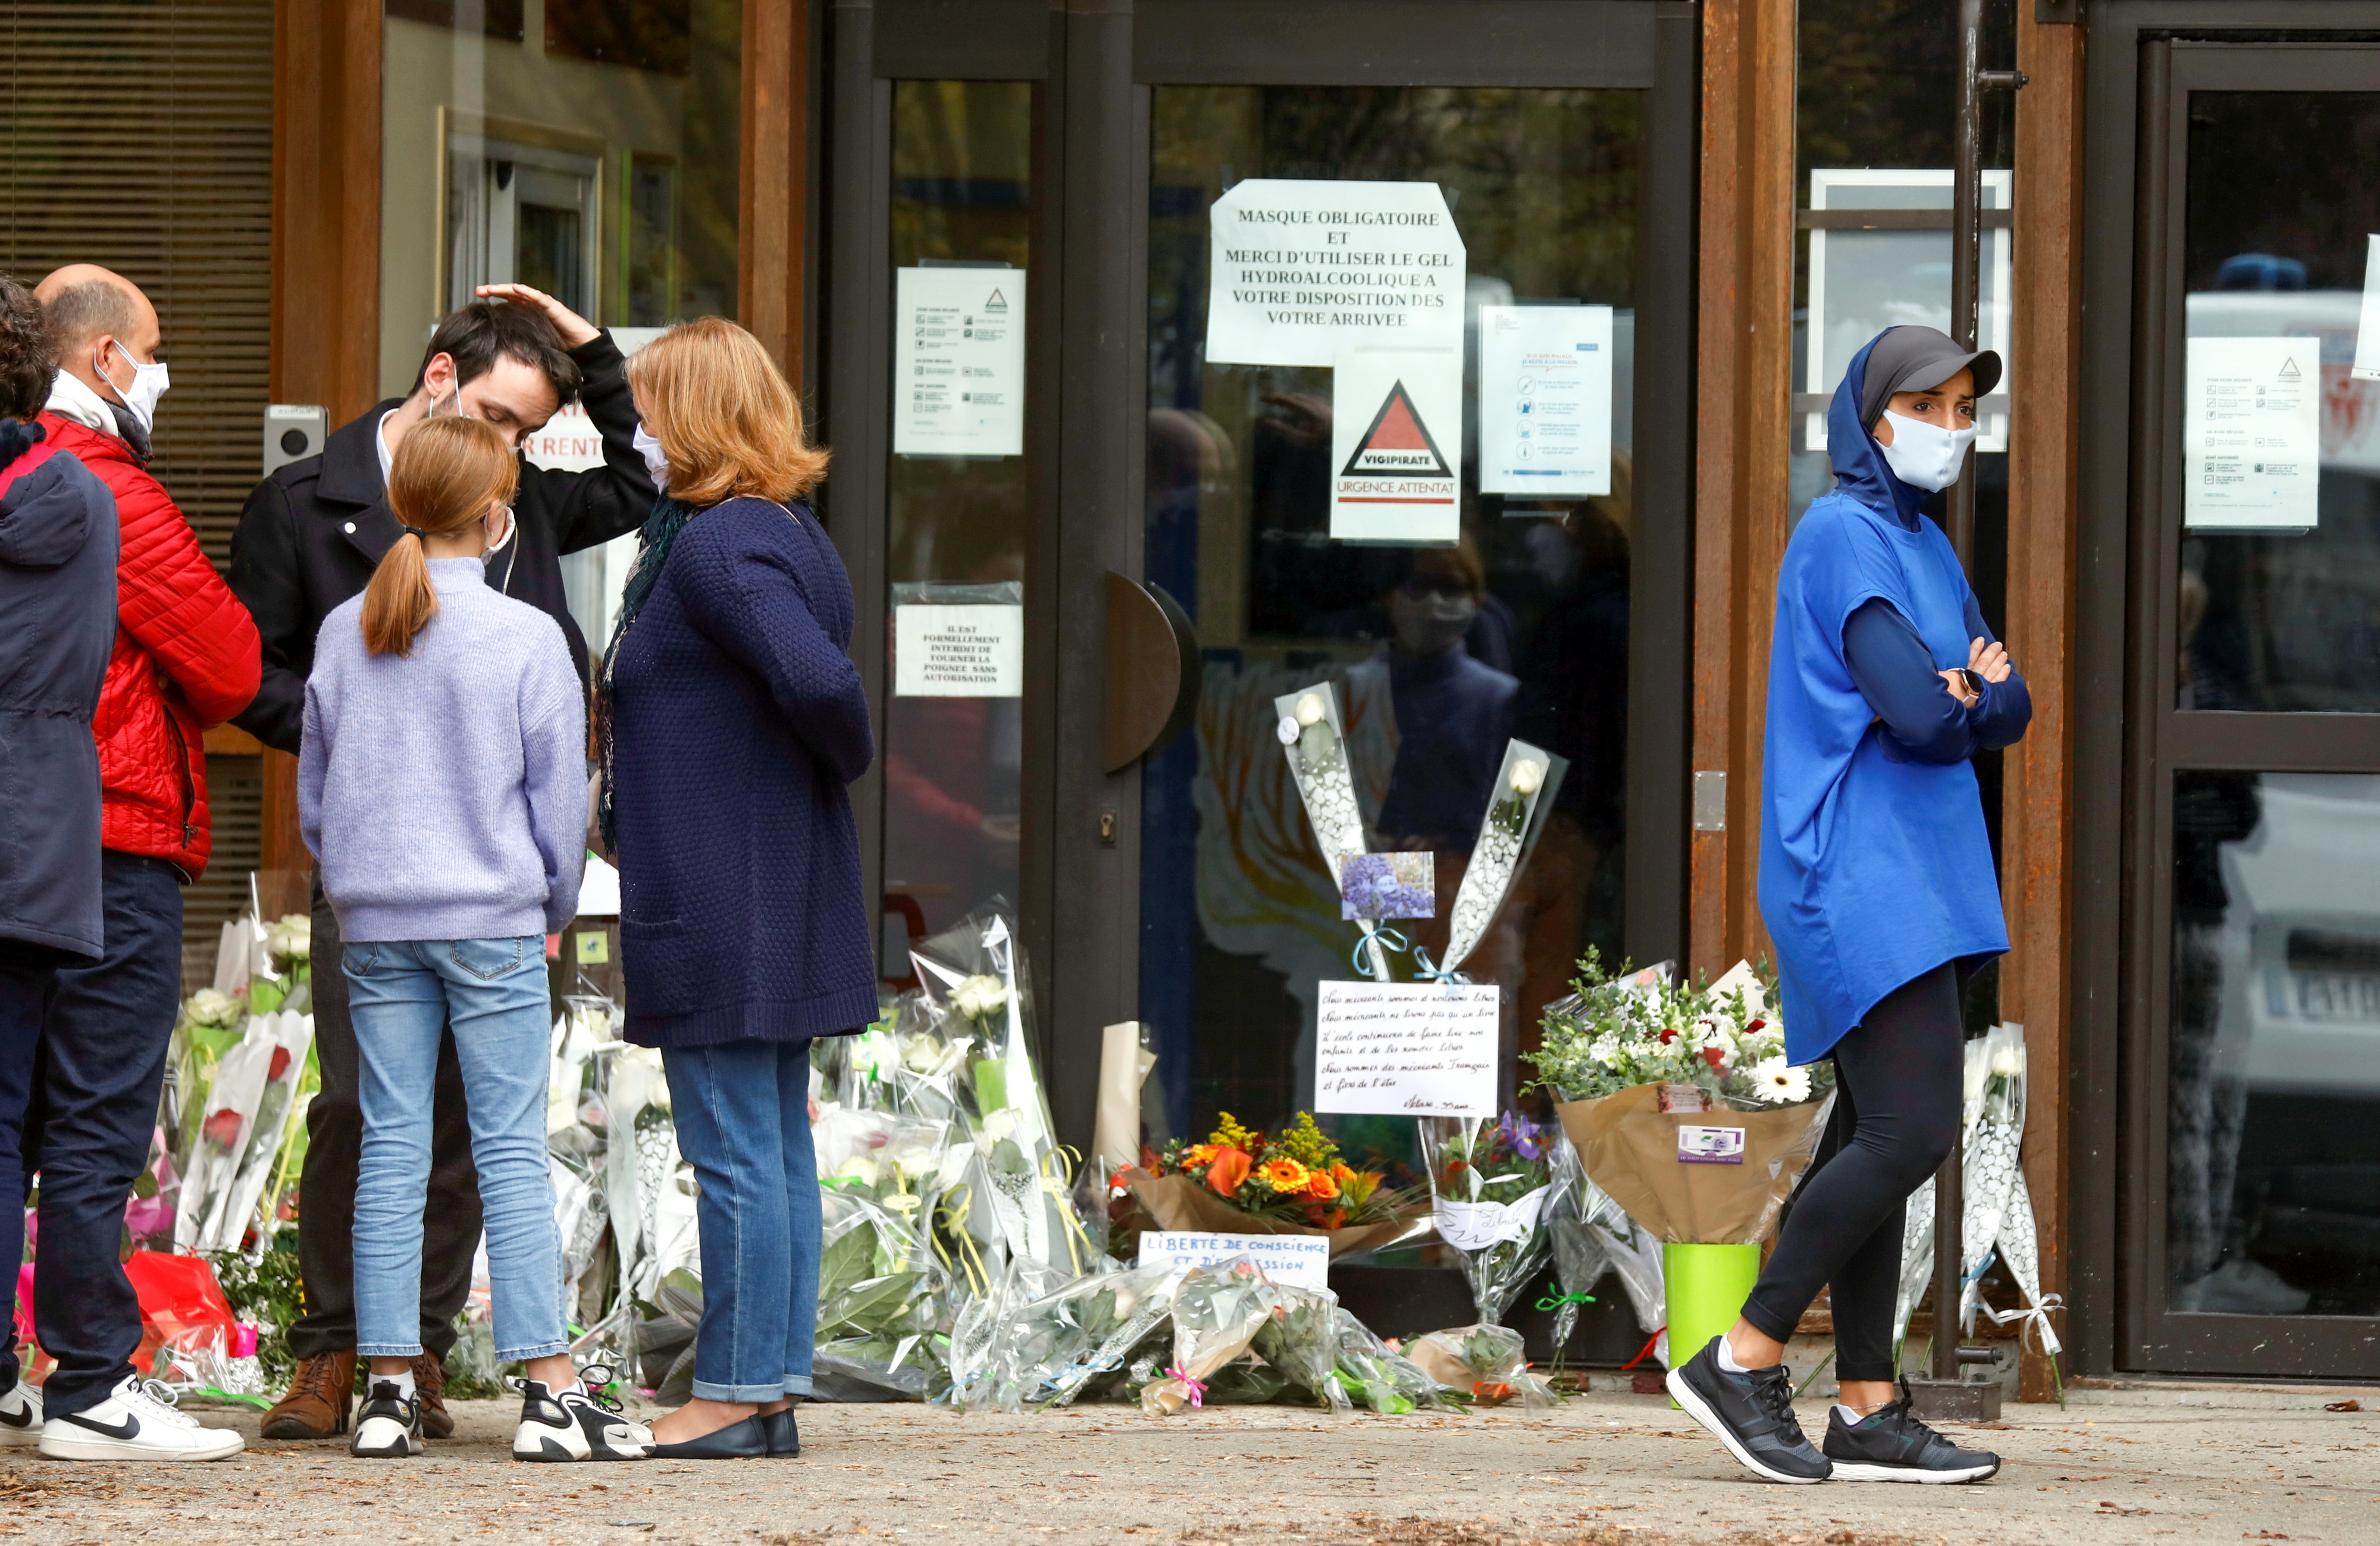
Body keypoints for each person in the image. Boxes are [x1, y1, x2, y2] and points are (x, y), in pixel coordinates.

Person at [229, 286, 656, 1440]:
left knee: (382, 1143)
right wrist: (548, 899)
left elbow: (317, 790)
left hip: (374, 917)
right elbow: (555, 803)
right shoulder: (525, 636)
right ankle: (549, 1392)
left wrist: (360, 873)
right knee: (506, 1152)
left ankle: (378, 1385)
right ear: (497, 510)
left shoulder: (346, 628)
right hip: (494, 916)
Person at [1667, 324, 2029, 1486]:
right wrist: (1962, 689)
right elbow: (1931, 718)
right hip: (1852, 875)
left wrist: (1963, 693)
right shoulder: (1838, 535)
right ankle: (1741, 1352)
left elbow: (2004, 705)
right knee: (1910, 1131)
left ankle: (1866, 1405)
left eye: (1963, 407)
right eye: (1926, 405)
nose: (1950, 427)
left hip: (1919, 875)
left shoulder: (1923, 544)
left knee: (1870, 1133)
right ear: (1867, 417)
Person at [600, 318, 872, 1459]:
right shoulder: (785, 531)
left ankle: (728, 1390)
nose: (639, 430)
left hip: (725, 894)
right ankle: (762, 1390)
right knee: (773, 1148)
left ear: (699, 420)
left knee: (736, 1152)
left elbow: (821, 683)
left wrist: (840, 752)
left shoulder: (716, 548)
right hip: (769, 883)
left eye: (652, 408)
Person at [15, 265, 257, 1461]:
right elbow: (225, 657)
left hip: (25, 835)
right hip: (116, 831)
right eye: (152, 351)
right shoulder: (106, 489)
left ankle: (27, 1378)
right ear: (105, 355)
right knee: (100, 1124)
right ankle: (91, 1387)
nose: (159, 375)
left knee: (12, 1116)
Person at [0, 271, 139, 1457]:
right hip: (35, 830)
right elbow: (87, 661)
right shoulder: (79, 496)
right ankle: (66, 1383)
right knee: (7, 1116)